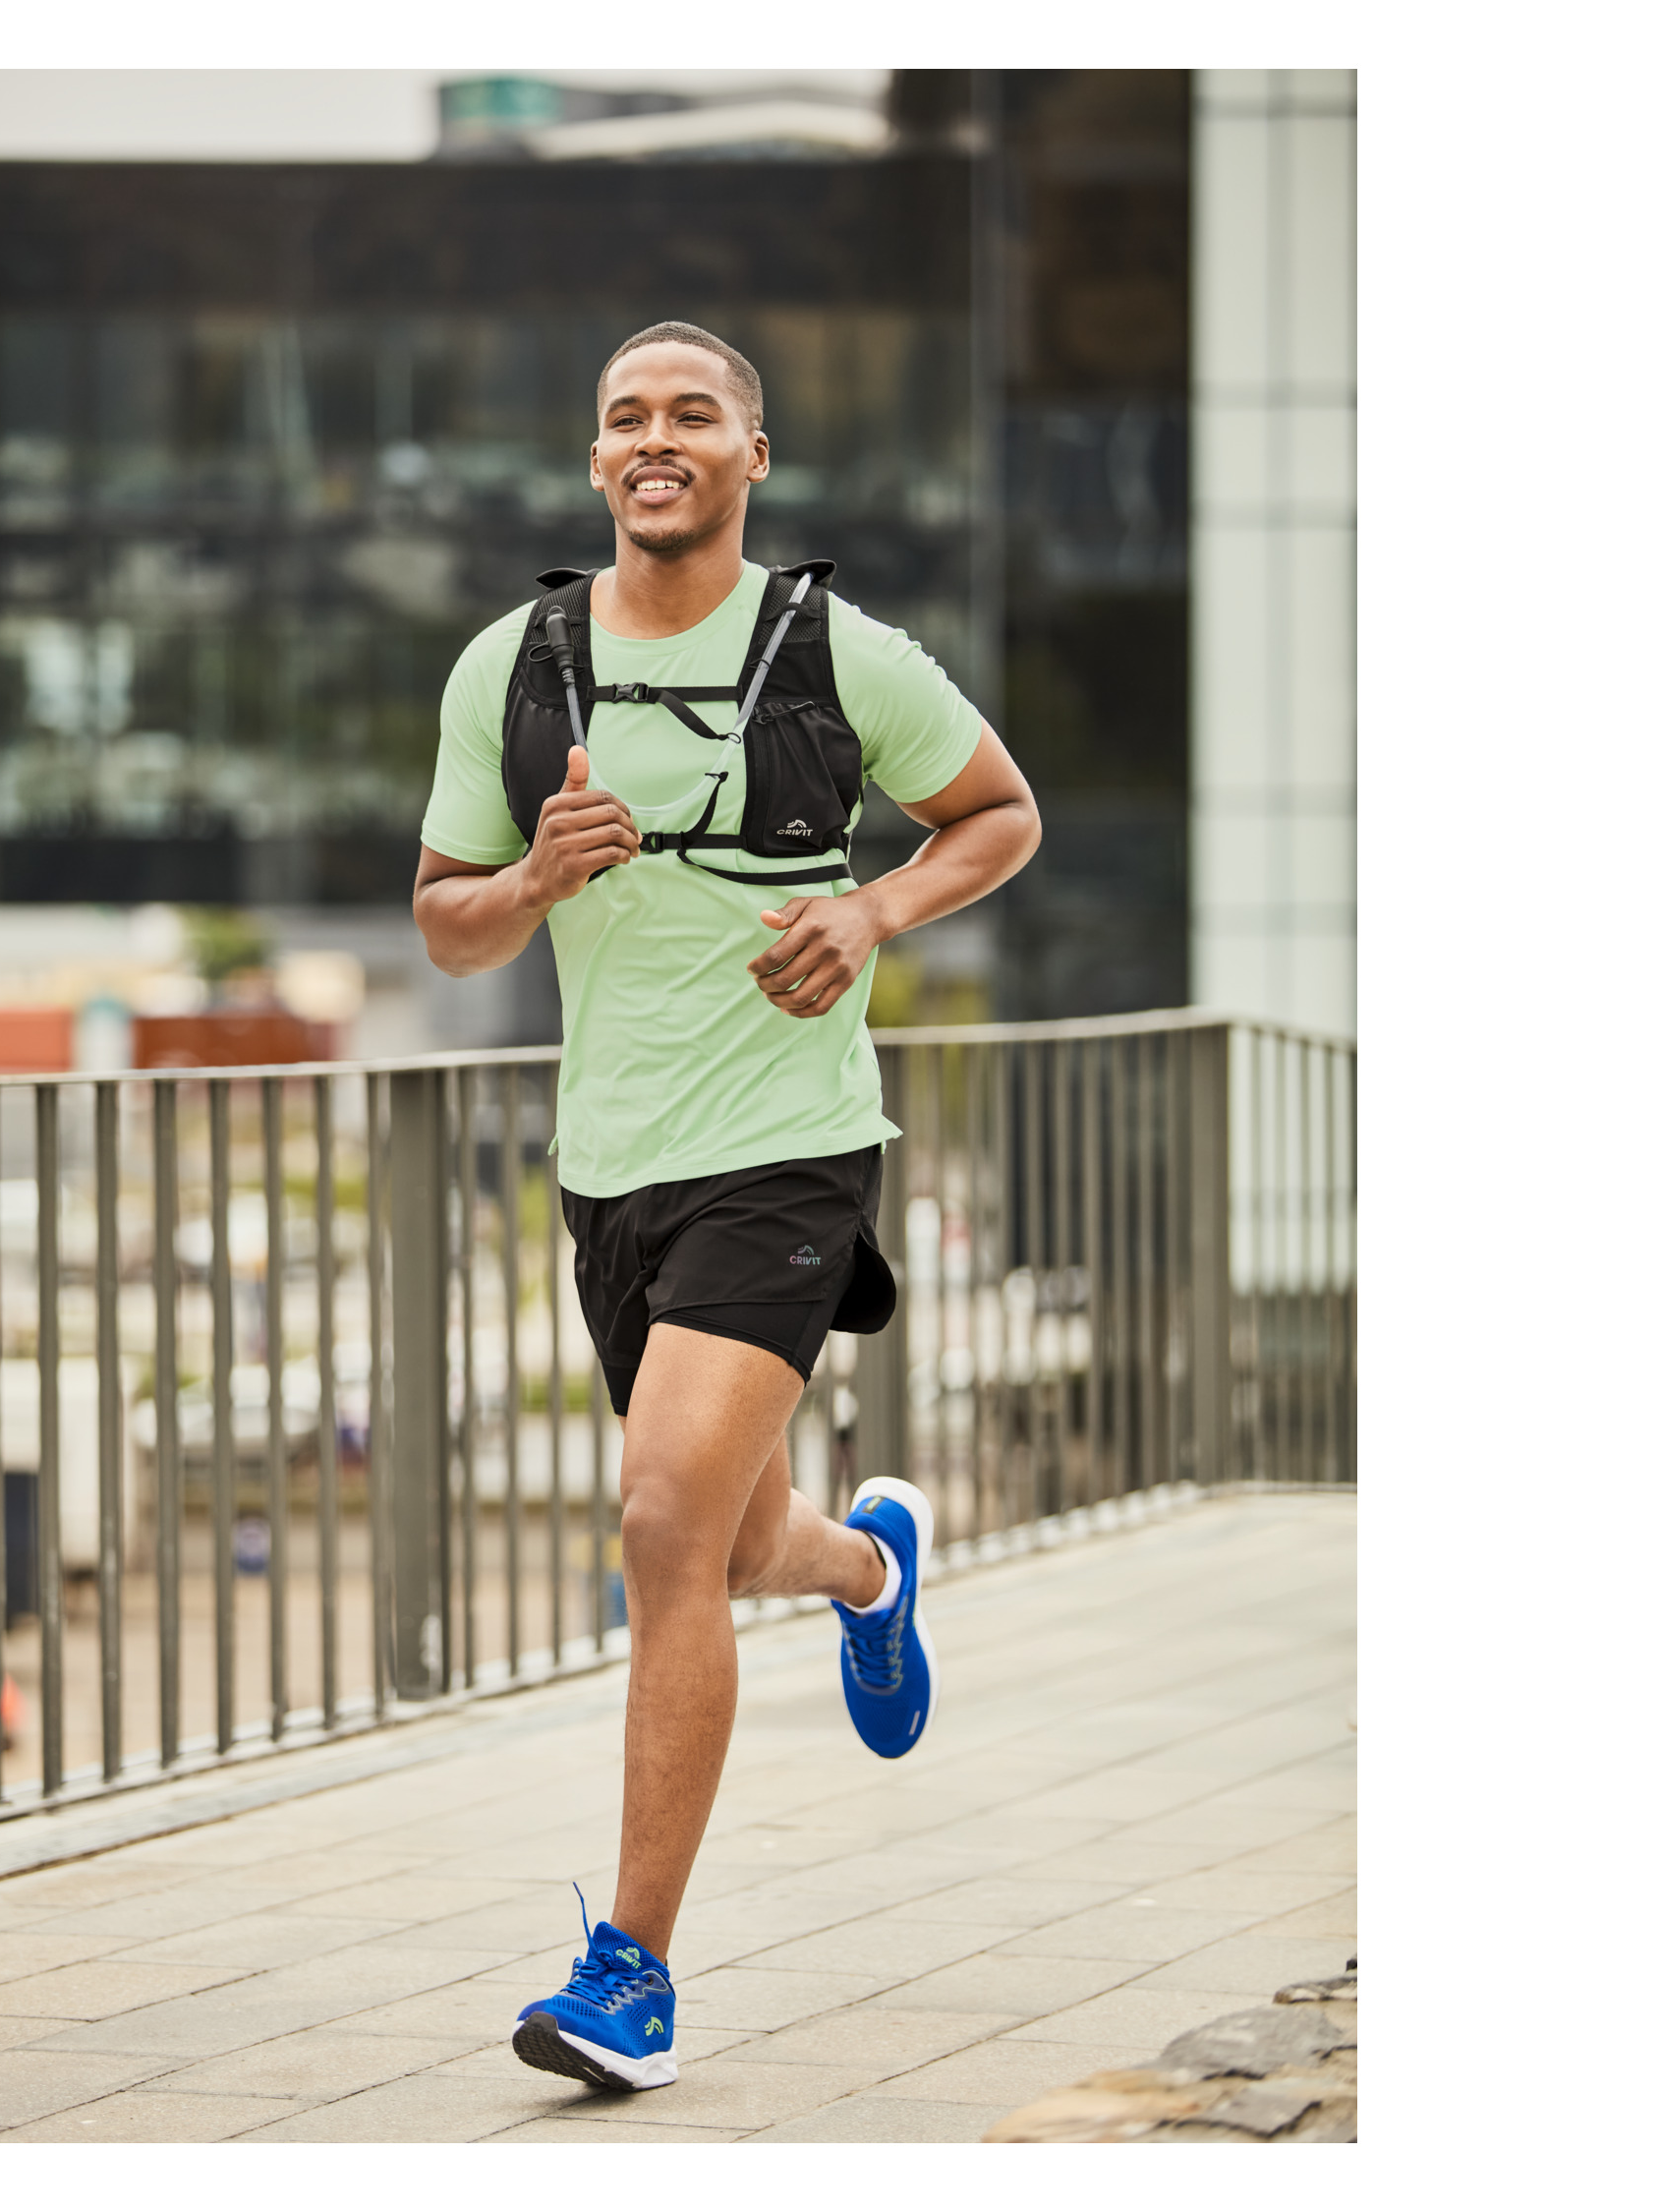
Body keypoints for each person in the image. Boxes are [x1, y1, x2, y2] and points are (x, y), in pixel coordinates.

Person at [412, 320, 1042, 2092]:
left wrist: (875, 910)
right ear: (595, 459)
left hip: (787, 1148)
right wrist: (534, 877)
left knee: (660, 1521)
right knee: (739, 1541)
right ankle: (868, 1565)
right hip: (610, 1168)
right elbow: (446, 920)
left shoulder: (839, 652)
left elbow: (998, 813)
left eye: (693, 414)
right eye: (626, 417)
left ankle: (632, 1976)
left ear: (753, 454)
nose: (656, 438)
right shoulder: (513, 667)